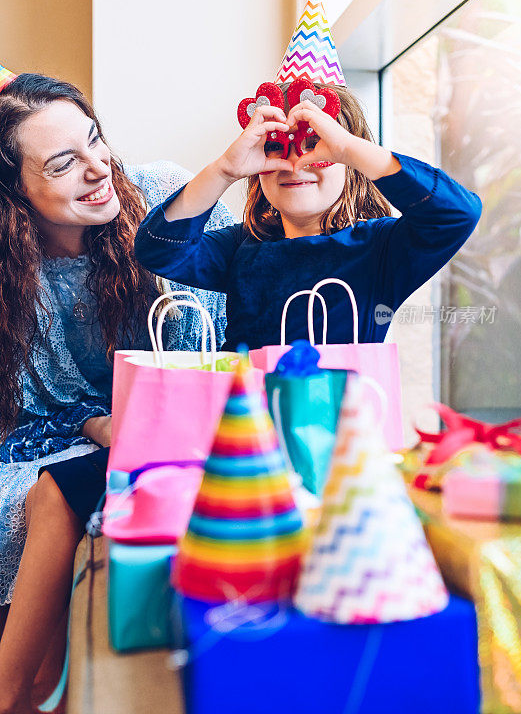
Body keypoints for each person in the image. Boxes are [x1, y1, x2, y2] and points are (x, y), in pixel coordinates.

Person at [0, 71, 233, 714]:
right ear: (14, 192)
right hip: (72, 449)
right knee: (39, 499)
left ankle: (36, 695)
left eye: (95, 139)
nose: (98, 168)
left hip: (191, 429)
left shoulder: (160, 198)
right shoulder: (12, 283)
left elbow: (238, 312)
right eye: (63, 162)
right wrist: (97, 425)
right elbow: (21, 423)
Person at [134, 81, 482, 348]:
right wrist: (224, 170)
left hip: (341, 431)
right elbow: (158, 250)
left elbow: (456, 214)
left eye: (315, 146)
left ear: (351, 165)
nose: (294, 163)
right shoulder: (241, 246)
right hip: (246, 429)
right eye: (275, 147)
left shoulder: (380, 249)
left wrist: (348, 147)